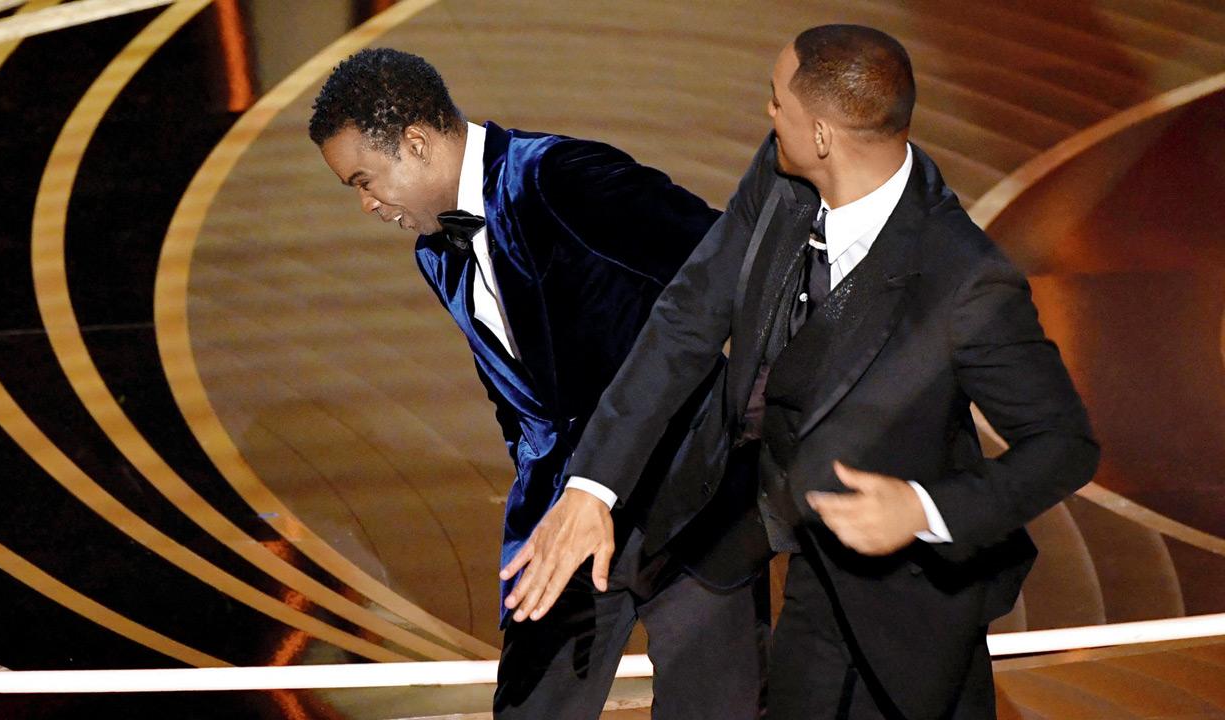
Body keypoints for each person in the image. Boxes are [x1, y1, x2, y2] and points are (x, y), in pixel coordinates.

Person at [506, 25, 1100, 719]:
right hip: (797, 559)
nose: (767, 115)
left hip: (911, 603)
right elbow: (687, 319)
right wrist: (591, 487)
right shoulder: (782, 174)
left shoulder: (965, 283)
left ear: (821, 135)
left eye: (775, 101)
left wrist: (924, 510)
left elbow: (1064, 444)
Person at [308, 48, 765, 719]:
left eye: (364, 181)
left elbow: (729, 266)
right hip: (563, 517)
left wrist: (755, 415)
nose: (367, 205)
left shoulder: (562, 177)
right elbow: (515, 397)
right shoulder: (437, 253)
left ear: (414, 143)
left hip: (691, 499)